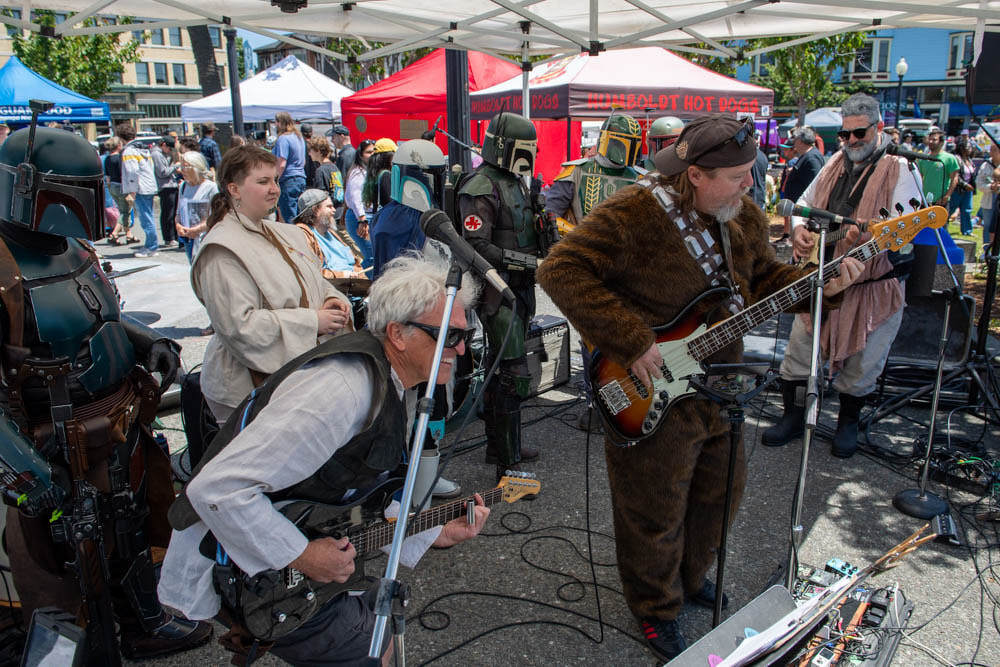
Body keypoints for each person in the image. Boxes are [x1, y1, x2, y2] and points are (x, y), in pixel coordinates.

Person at [536, 113, 863, 662]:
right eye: (737, 176)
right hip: (649, 386)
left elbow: (762, 283)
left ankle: (688, 578)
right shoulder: (633, 212)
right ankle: (655, 609)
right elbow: (560, 270)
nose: (749, 185)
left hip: (720, 388)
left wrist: (821, 283)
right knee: (653, 508)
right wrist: (631, 340)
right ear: (696, 174)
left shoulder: (741, 215)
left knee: (721, 494)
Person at [159, 253, 489, 665]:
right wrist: (300, 554)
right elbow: (217, 488)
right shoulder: (341, 391)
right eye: (448, 336)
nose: (459, 349)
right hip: (248, 563)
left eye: (463, 336)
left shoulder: (396, 383)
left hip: (302, 541)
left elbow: (359, 487)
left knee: (377, 628)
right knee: (373, 648)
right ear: (398, 334)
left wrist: (431, 532)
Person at [0, 125, 211, 662]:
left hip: (115, 424)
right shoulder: (2, 271)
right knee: (64, 573)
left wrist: (149, 343)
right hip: (55, 447)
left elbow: (104, 317)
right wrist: (30, 478)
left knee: (132, 529)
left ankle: (144, 620)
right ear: (29, 188)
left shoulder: (73, 248)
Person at [764, 93, 922, 458]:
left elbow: (906, 231)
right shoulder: (834, 161)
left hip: (872, 285)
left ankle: (847, 423)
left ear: (879, 128)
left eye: (859, 134)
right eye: (844, 135)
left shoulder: (902, 169)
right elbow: (803, 203)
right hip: (823, 276)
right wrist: (799, 230)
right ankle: (793, 416)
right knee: (800, 352)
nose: (850, 142)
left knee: (863, 361)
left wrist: (870, 240)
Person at [190, 145, 353, 423]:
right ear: (234, 189)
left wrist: (331, 300)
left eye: (275, 180)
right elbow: (239, 327)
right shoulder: (221, 249)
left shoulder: (284, 233)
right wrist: (313, 321)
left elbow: (313, 279)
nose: (275, 189)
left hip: (296, 378)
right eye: (262, 182)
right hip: (247, 392)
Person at [458, 111, 546, 480]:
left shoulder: (516, 182)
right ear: (503, 147)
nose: (526, 158)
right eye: (521, 150)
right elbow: (475, 247)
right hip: (497, 291)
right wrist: (528, 263)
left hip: (521, 287)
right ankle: (507, 464)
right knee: (511, 372)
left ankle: (502, 446)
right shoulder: (480, 186)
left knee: (503, 370)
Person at [546, 112, 643, 227]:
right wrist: (575, 235)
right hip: (581, 243)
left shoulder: (640, 178)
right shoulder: (575, 171)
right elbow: (551, 215)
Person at [292, 189, 365, 279]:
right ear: (315, 210)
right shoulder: (303, 234)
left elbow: (355, 264)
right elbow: (309, 271)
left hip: (352, 285)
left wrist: (361, 277)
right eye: (329, 207)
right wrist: (342, 275)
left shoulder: (331, 233)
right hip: (330, 288)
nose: (334, 210)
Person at [119, 122, 160, 257]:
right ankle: (151, 245)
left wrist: (132, 190)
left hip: (140, 188)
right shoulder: (143, 148)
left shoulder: (129, 151)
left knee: (145, 218)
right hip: (149, 185)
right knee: (148, 216)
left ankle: (151, 247)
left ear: (121, 137)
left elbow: (132, 171)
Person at [174, 150, 218, 263]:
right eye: (181, 166)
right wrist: (178, 225)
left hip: (205, 239)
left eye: (185, 167)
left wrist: (197, 229)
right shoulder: (183, 186)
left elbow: (216, 216)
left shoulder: (211, 188)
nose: (181, 170)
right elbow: (179, 211)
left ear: (196, 167)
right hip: (189, 239)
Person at [345, 138, 377, 270]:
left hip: (368, 217)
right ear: (361, 155)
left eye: (374, 151)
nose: (372, 155)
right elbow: (355, 197)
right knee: (371, 256)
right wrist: (362, 219)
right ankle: (364, 282)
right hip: (360, 218)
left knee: (373, 256)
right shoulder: (357, 173)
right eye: (369, 152)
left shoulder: (369, 172)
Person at [103, 135, 139, 245]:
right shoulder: (119, 158)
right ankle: (114, 233)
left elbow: (107, 176)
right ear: (118, 146)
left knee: (122, 210)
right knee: (125, 212)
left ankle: (129, 235)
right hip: (121, 186)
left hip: (112, 186)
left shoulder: (107, 159)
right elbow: (124, 174)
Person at [273, 111, 308, 222]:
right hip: (300, 178)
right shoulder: (299, 137)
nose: (275, 125)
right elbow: (303, 161)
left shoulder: (283, 139)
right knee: (300, 215)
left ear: (280, 123)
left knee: (289, 216)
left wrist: (275, 179)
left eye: (276, 122)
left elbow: (282, 163)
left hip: (288, 180)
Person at [917, 127, 960, 209]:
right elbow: (920, 178)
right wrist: (920, 196)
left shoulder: (949, 158)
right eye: (929, 139)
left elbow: (954, 178)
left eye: (934, 140)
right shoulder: (923, 159)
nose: (930, 142)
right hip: (925, 202)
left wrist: (947, 196)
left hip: (940, 202)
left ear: (941, 142)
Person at [783, 126, 825, 205]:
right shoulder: (807, 155)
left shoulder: (812, 158)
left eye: (795, 140)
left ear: (800, 142)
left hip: (803, 207)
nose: (794, 144)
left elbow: (814, 184)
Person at [152, 135, 180, 248]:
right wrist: (175, 166)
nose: (169, 151)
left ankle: (173, 236)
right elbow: (162, 172)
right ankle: (169, 238)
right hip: (165, 186)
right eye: (169, 148)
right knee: (168, 213)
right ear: (163, 145)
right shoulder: (156, 154)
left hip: (170, 185)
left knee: (173, 213)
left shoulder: (161, 154)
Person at [949, 136, 977, 235]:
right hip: (957, 189)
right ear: (962, 148)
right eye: (968, 147)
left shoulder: (969, 160)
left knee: (967, 210)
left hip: (968, 190)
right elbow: (956, 175)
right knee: (951, 208)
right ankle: (942, 227)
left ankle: (967, 230)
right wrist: (964, 184)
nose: (970, 149)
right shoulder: (957, 158)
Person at [363, 137, 397, 219]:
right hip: (387, 221)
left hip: (378, 220)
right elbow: (390, 203)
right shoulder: (385, 175)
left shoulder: (375, 174)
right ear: (389, 156)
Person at [976, 142, 1000, 252]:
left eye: (994, 150)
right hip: (989, 200)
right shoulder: (986, 165)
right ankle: (986, 251)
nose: (991, 152)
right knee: (988, 227)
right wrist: (990, 187)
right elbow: (979, 183)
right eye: (991, 150)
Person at [308, 135, 344, 208]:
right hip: (339, 208)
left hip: (328, 209)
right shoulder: (334, 167)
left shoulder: (320, 171)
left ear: (318, 151)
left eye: (310, 150)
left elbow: (320, 196)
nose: (309, 153)